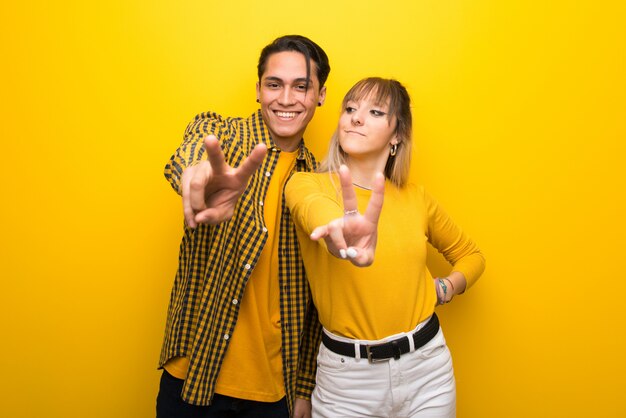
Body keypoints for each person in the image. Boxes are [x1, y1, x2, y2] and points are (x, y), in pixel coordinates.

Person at [285, 77, 486, 417]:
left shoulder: (416, 199)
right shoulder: (307, 184)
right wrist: (341, 229)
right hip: (347, 382)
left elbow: (472, 256)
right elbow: (314, 211)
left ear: (397, 136)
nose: (356, 118)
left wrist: (445, 287)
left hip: (427, 370)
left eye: (375, 111)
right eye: (349, 109)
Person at [157, 35, 330, 418]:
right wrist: (197, 178)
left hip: (274, 393)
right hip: (193, 377)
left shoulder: (320, 182)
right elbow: (193, 152)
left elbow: (316, 297)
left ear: (320, 95)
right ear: (258, 90)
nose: (286, 99)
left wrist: (304, 387)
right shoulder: (227, 137)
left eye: (301, 86)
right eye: (274, 84)